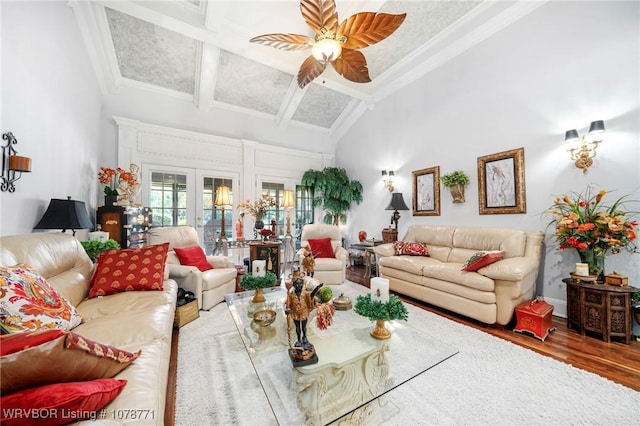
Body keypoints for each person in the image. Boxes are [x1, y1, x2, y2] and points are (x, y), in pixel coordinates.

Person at [285, 278, 322, 350]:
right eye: (297, 284)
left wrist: (317, 288)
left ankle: (304, 337)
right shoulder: (291, 295)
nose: (300, 285)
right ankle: (299, 339)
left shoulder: (305, 293)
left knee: (304, 327)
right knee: (297, 327)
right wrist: (288, 310)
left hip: (304, 312)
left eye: (301, 284)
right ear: (294, 285)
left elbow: (311, 295)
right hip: (295, 313)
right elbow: (288, 304)